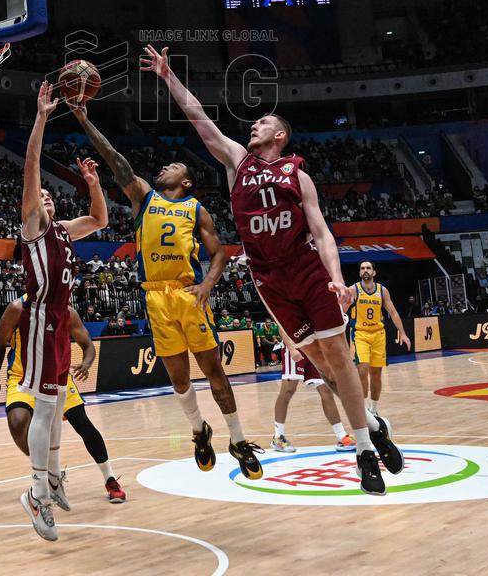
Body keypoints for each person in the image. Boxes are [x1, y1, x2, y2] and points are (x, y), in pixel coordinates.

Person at [142, 44, 404, 496]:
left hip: (305, 267)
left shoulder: (296, 174)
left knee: (338, 358)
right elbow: (199, 119)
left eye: (264, 123)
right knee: (320, 365)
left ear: (279, 136)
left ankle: (365, 452)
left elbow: (321, 232)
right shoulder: (236, 162)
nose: (254, 124)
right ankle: (375, 422)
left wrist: (337, 279)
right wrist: (167, 77)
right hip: (267, 277)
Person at [69, 99, 262, 481]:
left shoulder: (196, 209)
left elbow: (219, 253)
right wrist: (84, 119)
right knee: (178, 378)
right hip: (155, 296)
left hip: (188, 293)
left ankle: (238, 439)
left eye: (173, 166)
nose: (163, 168)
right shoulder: (144, 198)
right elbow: (113, 158)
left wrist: (207, 283)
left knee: (214, 371)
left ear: (186, 181)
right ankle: (198, 431)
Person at [18, 81, 108, 542]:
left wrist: (93, 184)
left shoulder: (66, 232)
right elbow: (32, 169)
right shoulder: (34, 225)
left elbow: (101, 220)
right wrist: (40, 119)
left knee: (54, 411)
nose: (47, 200)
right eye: (44, 198)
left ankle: (50, 477)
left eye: (53, 198)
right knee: (46, 407)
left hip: (58, 320)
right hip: (39, 318)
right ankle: (37, 489)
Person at [0, 298, 126, 504]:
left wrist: (87, 363)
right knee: (17, 423)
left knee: (82, 423)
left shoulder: (67, 312)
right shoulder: (17, 309)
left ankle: (110, 478)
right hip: (22, 375)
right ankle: (52, 472)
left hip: (57, 376)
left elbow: (88, 345)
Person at [348, 261, 411, 413]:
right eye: (362, 268)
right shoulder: (353, 290)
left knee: (376, 374)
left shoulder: (382, 291)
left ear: (374, 272)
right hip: (360, 334)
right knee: (362, 369)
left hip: (378, 334)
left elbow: (393, 312)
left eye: (368, 268)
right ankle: (362, 409)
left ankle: (374, 409)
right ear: (359, 273)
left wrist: (402, 333)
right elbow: (342, 310)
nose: (365, 271)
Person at [272, 343, 356, 452]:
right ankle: (278, 437)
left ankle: (341, 436)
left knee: (326, 390)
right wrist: (292, 349)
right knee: (288, 390)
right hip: (295, 345)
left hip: (313, 347)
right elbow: (281, 326)